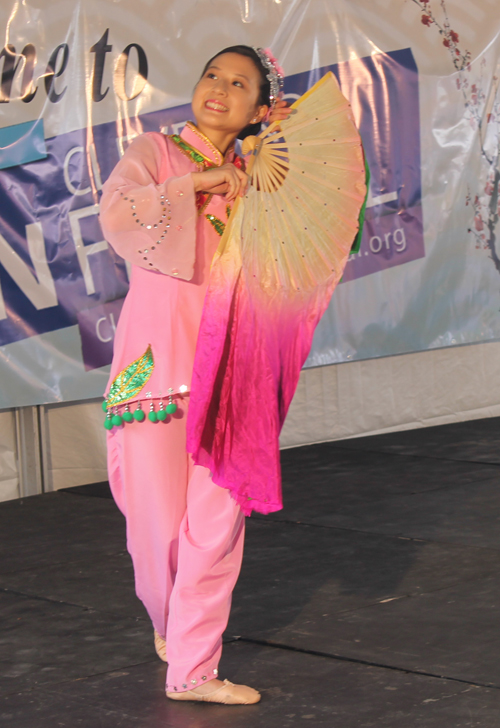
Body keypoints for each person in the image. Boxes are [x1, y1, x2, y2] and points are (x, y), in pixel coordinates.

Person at [99, 45, 289, 705]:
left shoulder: (264, 175)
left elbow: (299, 259)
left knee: (217, 523)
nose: (221, 90)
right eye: (214, 75)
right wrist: (196, 186)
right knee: (155, 531)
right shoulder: (155, 152)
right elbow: (118, 216)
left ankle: (194, 668)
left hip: (233, 367)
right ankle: (168, 621)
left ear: (260, 109)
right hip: (157, 365)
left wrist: (267, 182)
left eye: (241, 85)